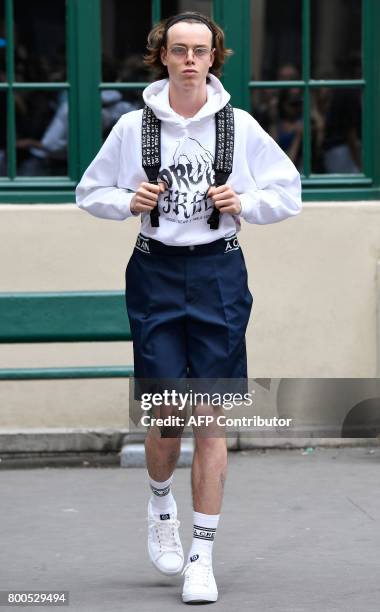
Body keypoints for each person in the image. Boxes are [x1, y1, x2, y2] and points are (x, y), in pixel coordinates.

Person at [76, 12, 302, 604]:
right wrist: (128, 200)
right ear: (163, 57)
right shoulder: (132, 127)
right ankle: (159, 503)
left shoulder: (240, 125)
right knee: (165, 417)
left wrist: (245, 202)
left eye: (200, 50)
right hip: (153, 271)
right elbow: (88, 191)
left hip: (219, 272)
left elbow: (288, 192)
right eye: (179, 50)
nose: (190, 60)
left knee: (210, 417)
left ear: (213, 58)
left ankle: (202, 557)